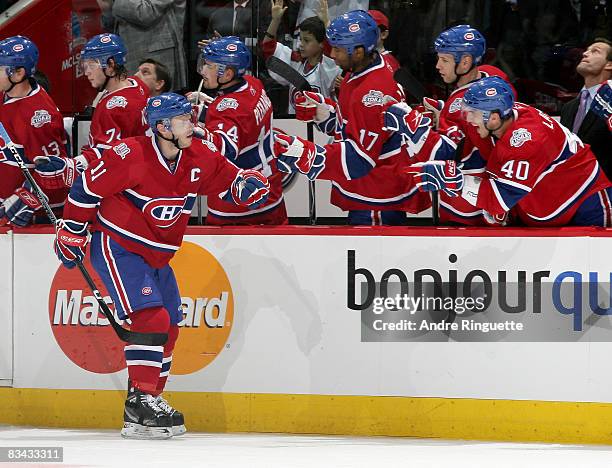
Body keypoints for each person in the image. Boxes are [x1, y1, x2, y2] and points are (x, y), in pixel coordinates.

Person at [53, 93, 270, 439]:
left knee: (169, 326)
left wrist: (245, 185)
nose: (193, 125)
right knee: (150, 318)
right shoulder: (131, 155)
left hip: (157, 256)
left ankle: (149, 399)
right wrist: (73, 230)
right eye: (184, 120)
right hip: (118, 246)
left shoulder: (198, 154)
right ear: (163, 127)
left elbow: (229, 178)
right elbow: (86, 188)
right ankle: (139, 402)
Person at [272, 10, 429, 225]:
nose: (333, 54)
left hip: (377, 196)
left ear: (358, 51)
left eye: (338, 49)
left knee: (375, 258)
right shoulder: (360, 70)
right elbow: (348, 124)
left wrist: (305, 153)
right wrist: (322, 112)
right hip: (368, 190)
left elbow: (359, 160)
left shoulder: (372, 94)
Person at [407, 76, 612, 227]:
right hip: (547, 204)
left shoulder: (527, 141)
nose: (468, 120)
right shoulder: (504, 114)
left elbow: (498, 200)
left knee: (593, 276)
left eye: (472, 114)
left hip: (584, 203)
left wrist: (456, 181)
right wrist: (444, 112)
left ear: (493, 118)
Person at [420, 24, 514, 225]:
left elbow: (448, 153)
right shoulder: (493, 79)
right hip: (475, 198)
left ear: (465, 62)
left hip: (467, 206)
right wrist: (443, 112)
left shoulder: (471, 107)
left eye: (444, 60)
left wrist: (414, 126)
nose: (438, 66)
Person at [35, 34, 150, 188]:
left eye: (92, 65)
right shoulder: (137, 84)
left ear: (110, 65)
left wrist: (71, 165)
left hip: (122, 185)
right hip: (140, 174)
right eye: (84, 66)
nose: (86, 72)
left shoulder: (111, 108)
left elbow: (107, 155)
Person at [196, 36, 287, 224]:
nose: (203, 70)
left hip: (239, 200)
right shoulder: (253, 84)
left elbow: (223, 151)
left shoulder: (227, 111)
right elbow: (243, 124)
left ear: (228, 74)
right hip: (271, 191)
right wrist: (206, 111)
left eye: (210, 66)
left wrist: (191, 128)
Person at [0, 36, 69, 226]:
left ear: (18, 73)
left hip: (30, 218)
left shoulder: (38, 118)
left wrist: (24, 200)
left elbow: (53, 171)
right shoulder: (6, 92)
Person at [262, 0, 341, 113]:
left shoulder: (329, 66)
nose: (300, 44)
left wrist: (326, 23)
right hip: (295, 126)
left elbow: (331, 50)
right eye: (300, 39)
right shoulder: (296, 61)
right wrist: (275, 20)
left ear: (321, 44)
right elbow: (267, 48)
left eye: (306, 40)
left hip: (321, 127)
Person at [96, 0, 188, 89]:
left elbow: (145, 13)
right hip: (128, 57)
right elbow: (115, 23)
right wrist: (107, 10)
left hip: (156, 56)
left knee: (159, 103)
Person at [560, 38, 612, 178]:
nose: (585, 54)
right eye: (587, 50)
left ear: (609, 64)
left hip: (604, 190)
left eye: (595, 51)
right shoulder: (568, 108)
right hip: (571, 190)